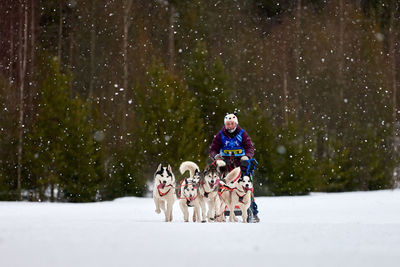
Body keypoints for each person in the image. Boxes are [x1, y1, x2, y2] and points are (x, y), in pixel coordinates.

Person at [209, 113, 260, 222]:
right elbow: (213, 149)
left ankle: (253, 212)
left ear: (236, 123)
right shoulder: (220, 135)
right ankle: (216, 210)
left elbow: (250, 147)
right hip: (225, 164)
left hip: (241, 163)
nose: (230, 126)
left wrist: (247, 156)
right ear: (225, 124)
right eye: (228, 124)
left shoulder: (242, 133)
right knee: (222, 186)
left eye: (232, 123)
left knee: (247, 187)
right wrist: (216, 156)